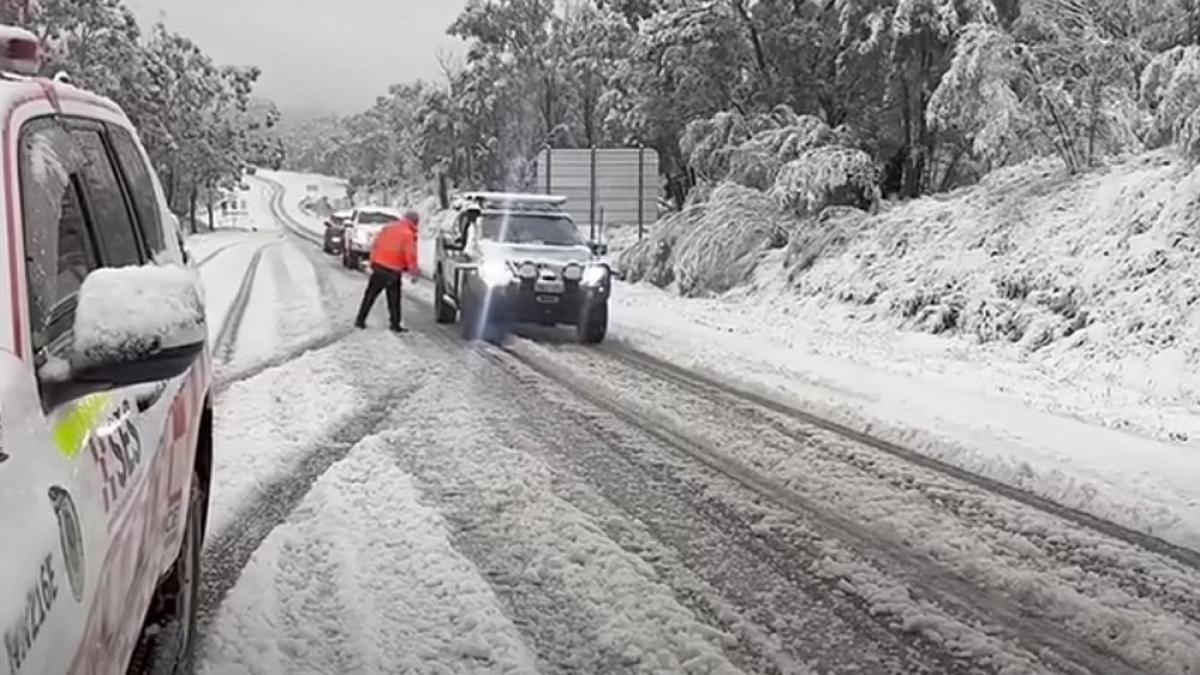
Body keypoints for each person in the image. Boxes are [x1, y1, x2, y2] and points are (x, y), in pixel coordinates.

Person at [354, 210, 420, 332]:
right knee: (394, 298)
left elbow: (376, 245)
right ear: (414, 221)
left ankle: (360, 320)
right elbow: (410, 255)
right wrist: (413, 272)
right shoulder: (408, 234)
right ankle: (395, 324)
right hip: (393, 270)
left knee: (370, 295)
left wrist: (373, 261)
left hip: (379, 266)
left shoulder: (388, 228)